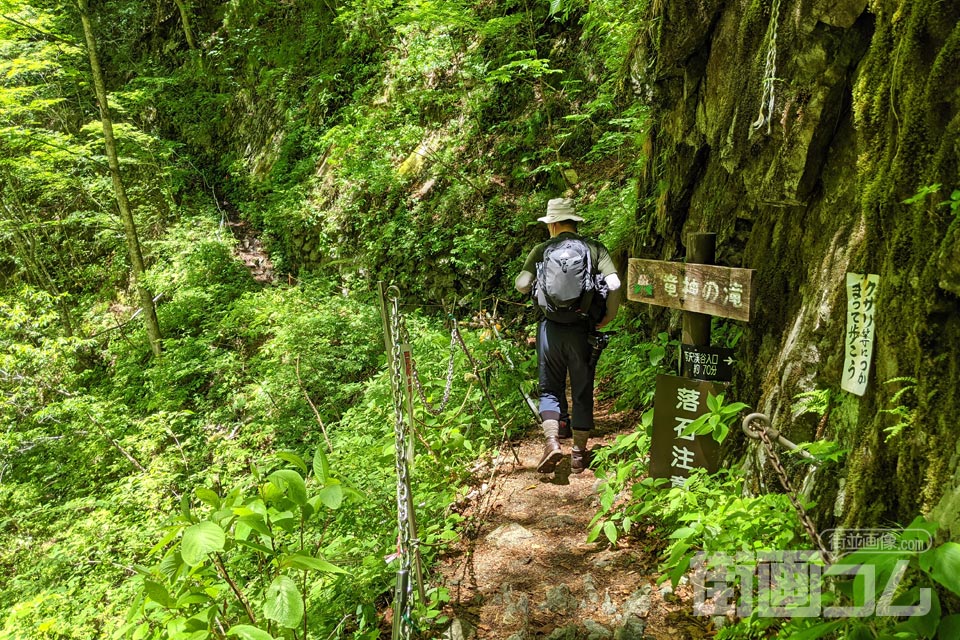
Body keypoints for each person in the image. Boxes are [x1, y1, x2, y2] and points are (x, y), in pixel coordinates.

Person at [515, 197, 622, 474]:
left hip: (550, 331)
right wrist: (608, 316)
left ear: (552, 225)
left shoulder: (542, 249)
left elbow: (522, 285)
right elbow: (614, 283)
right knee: (583, 390)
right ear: (575, 222)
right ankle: (578, 454)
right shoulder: (595, 249)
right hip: (583, 331)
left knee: (550, 388)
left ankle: (552, 441)